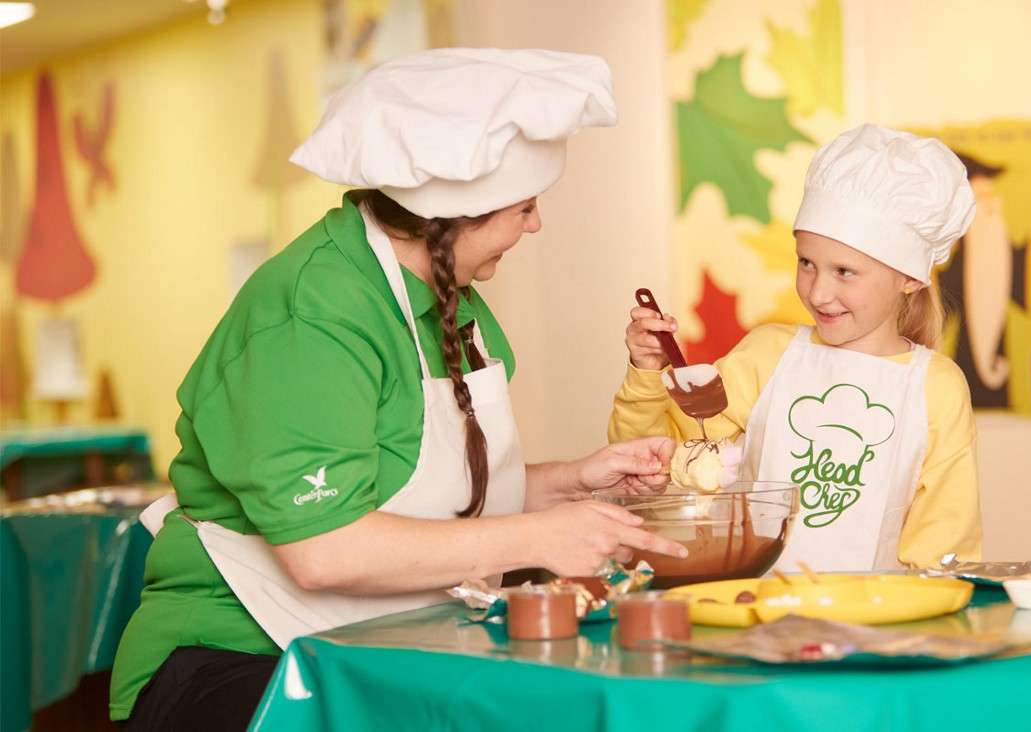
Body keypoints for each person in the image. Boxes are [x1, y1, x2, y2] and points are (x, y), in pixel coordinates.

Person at [111, 48, 686, 730]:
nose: (535, 227)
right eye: (524, 208)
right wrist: (539, 539)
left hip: (371, 641)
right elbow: (323, 550)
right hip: (236, 659)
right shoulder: (316, 311)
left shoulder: (449, 297)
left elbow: (416, 488)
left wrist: (576, 482)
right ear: (453, 216)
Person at [610, 124, 982, 572]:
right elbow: (649, 455)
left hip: (880, 624)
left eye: (844, 271)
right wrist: (648, 372)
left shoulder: (935, 387)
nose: (818, 292)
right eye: (806, 263)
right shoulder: (768, 355)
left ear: (909, 279)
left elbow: (945, 537)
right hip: (755, 615)